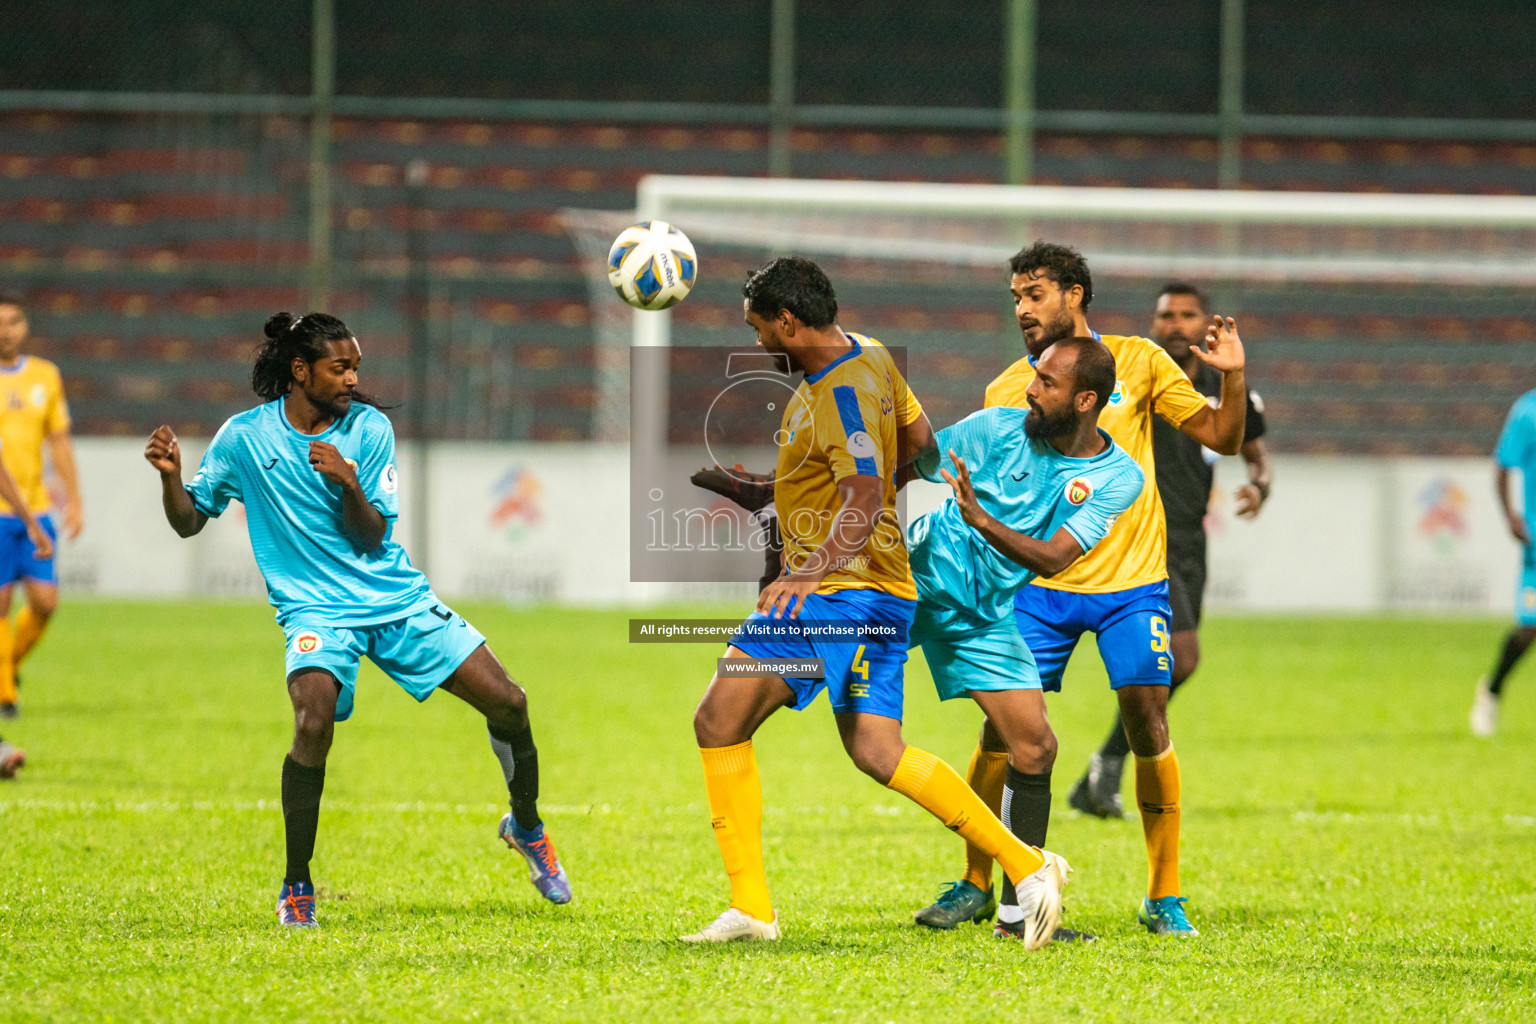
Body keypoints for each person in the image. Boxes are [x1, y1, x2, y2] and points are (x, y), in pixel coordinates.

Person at [683, 257, 1071, 950]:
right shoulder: (870, 353)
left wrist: (809, 571)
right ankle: (753, 911)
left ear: (788, 321)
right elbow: (919, 446)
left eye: (760, 329)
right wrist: (774, 494)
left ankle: (1025, 865)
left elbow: (863, 496)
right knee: (755, 724)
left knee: (847, 743)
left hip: (847, 595)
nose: (759, 343)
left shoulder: (842, 392)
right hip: (849, 590)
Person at [144, 312, 571, 928]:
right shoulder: (243, 438)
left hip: (391, 597)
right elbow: (189, 520)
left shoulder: (369, 430)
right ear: (300, 370)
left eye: (356, 367)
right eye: (339, 367)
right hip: (315, 609)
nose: (352, 379)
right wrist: (171, 479)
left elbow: (372, 538)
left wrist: (348, 482)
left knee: (509, 702)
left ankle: (525, 825)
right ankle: (296, 887)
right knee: (312, 721)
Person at [915, 242, 1248, 939]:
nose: (1022, 310)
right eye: (1014, 298)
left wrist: (1234, 380)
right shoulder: (1010, 386)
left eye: (1034, 294)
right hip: (1039, 586)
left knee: (1148, 721)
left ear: (1075, 293)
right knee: (1002, 733)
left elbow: (1221, 433)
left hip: (1132, 584)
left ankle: (1164, 895)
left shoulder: (1141, 359)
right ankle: (978, 881)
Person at [904, 335, 1144, 941]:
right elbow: (913, 462)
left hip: (983, 615)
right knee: (778, 676)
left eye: (1046, 384)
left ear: (1086, 400)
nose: (1030, 391)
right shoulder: (994, 428)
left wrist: (982, 518)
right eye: (1033, 378)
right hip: (913, 581)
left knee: (1034, 746)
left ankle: (1016, 913)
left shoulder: (1118, 477)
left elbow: (1056, 559)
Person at [1068, 283, 1271, 817]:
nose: (1176, 324)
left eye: (1187, 314)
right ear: (1153, 323)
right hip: (1140, 536)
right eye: (1166, 315)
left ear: (1206, 322)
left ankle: (1100, 773)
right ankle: (1108, 766)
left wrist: (1261, 481)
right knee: (1180, 658)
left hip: (1189, 539)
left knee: (1173, 666)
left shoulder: (1227, 385)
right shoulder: (1132, 374)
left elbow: (1251, 447)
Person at [0, 294, 81, 719]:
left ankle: (5, 666)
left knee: (45, 602)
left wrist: (75, 500)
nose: (6, 329)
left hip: (34, 507)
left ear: (25, 325)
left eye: (13, 320)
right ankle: (5, 695)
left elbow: (60, 440)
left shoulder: (45, 376)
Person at [1471, 386, 1536, 736]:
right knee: (1531, 628)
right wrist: (1510, 515)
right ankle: (1492, 690)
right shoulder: (1528, 411)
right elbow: (1502, 466)